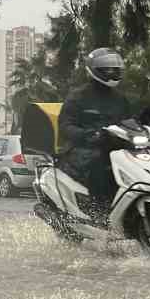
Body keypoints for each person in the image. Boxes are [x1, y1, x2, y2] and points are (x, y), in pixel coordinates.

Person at [58, 47, 133, 219]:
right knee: (100, 164)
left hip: (113, 147)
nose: (112, 72)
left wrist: (147, 125)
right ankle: (97, 210)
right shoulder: (78, 96)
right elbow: (65, 125)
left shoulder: (120, 98)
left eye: (115, 68)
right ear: (95, 70)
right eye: (107, 69)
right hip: (82, 148)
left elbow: (129, 121)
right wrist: (86, 134)